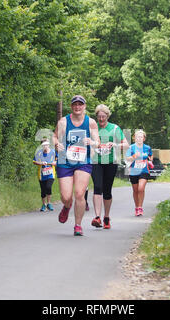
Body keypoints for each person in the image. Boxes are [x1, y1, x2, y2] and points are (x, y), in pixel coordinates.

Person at [53, 95, 100, 236]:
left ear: (84, 106)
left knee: (80, 193)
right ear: (71, 106)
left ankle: (78, 225)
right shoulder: (63, 122)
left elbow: (97, 141)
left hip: (83, 161)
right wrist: (56, 144)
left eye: (80, 104)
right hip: (65, 161)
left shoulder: (91, 123)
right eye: (75, 104)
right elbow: (54, 136)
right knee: (66, 196)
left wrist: (91, 142)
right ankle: (67, 206)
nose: (77, 107)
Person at [91, 104, 128, 229]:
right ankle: (97, 217)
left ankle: (106, 217)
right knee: (97, 187)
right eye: (99, 116)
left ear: (107, 116)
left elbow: (126, 144)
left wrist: (115, 145)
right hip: (96, 161)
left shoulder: (114, 128)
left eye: (103, 116)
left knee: (107, 190)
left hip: (111, 162)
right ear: (96, 116)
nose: (101, 119)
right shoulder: (93, 128)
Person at [125, 130, 152, 216]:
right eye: (137, 137)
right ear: (134, 138)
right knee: (135, 190)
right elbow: (127, 158)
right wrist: (133, 156)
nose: (139, 138)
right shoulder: (131, 147)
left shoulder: (147, 148)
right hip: (133, 171)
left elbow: (150, 156)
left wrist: (150, 161)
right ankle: (137, 207)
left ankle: (140, 207)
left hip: (144, 171)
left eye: (141, 137)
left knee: (141, 188)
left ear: (144, 138)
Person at [33, 139, 57, 212]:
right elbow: (34, 161)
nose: (45, 146)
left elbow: (58, 160)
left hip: (50, 174)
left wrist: (55, 162)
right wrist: (40, 163)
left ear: (49, 145)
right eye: (43, 145)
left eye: (46, 145)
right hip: (41, 174)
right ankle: (44, 204)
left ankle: (49, 203)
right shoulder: (39, 153)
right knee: (43, 190)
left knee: (48, 187)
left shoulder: (53, 152)